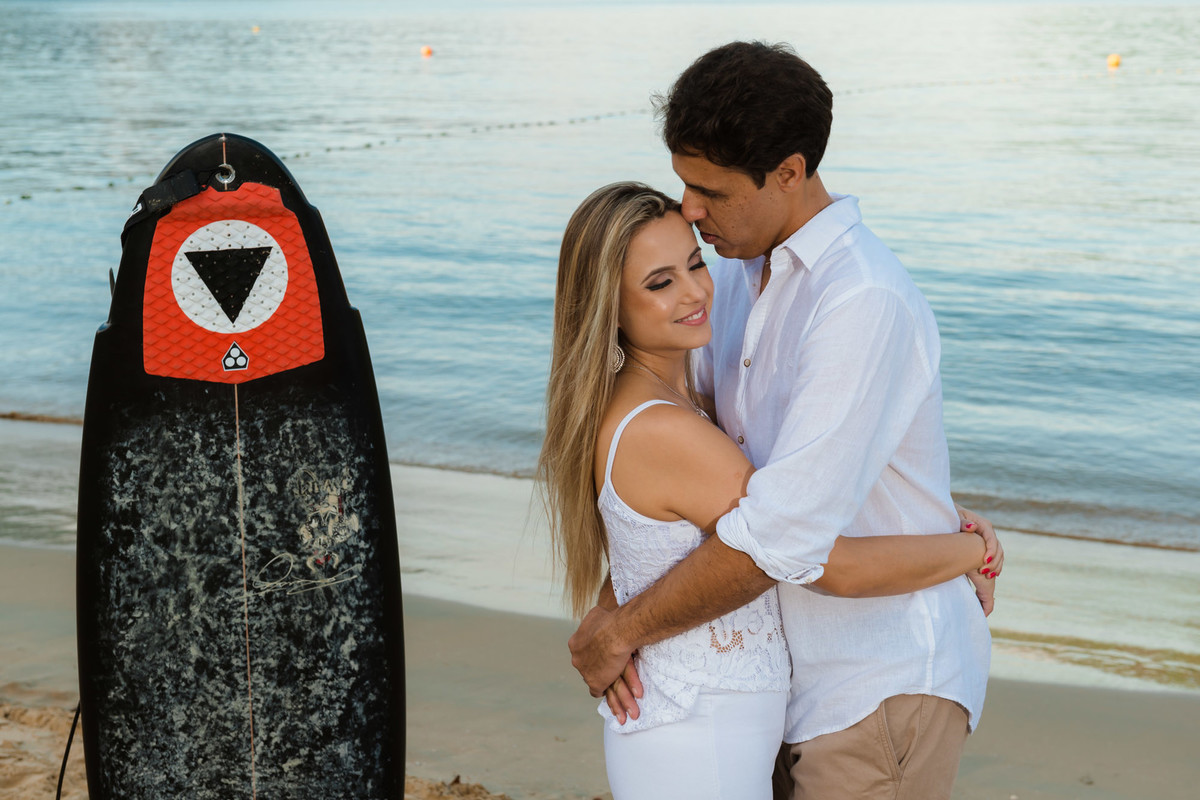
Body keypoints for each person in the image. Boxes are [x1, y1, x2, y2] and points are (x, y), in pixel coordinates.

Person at [565, 43, 997, 800]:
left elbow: (782, 534)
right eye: (684, 187)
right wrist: (612, 608)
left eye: (710, 191)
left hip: (874, 686)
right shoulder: (730, 276)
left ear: (789, 173)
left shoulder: (861, 301)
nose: (690, 214)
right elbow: (693, 481)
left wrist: (624, 630)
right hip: (773, 685)